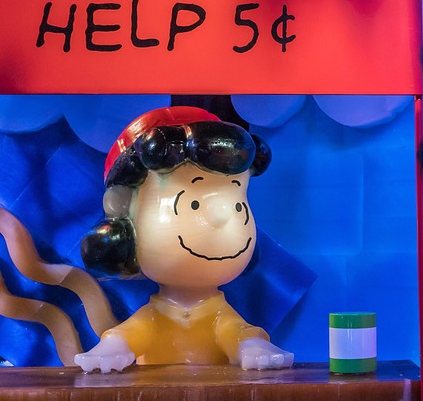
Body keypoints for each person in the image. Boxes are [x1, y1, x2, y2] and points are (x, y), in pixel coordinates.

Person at [74, 106, 294, 372]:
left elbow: (237, 333)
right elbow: (129, 335)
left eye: (238, 206)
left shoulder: (220, 316)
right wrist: (113, 347)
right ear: (127, 224)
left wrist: (253, 346)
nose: (221, 216)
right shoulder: (153, 318)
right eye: (193, 205)